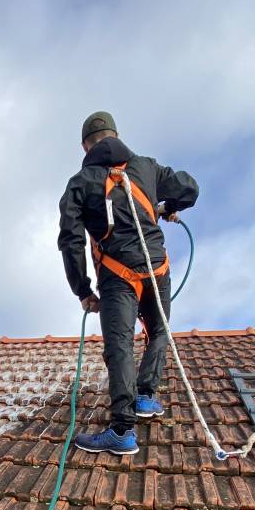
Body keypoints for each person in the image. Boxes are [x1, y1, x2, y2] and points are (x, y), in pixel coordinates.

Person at [58, 111, 199, 455]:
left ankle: (122, 430)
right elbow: (190, 187)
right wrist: (166, 206)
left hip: (117, 274)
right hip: (158, 268)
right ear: (117, 135)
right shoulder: (147, 167)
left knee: (119, 343)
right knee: (158, 330)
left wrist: (83, 290)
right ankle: (146, 397)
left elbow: (71, 241)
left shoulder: (81, 182)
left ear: (84, 147)